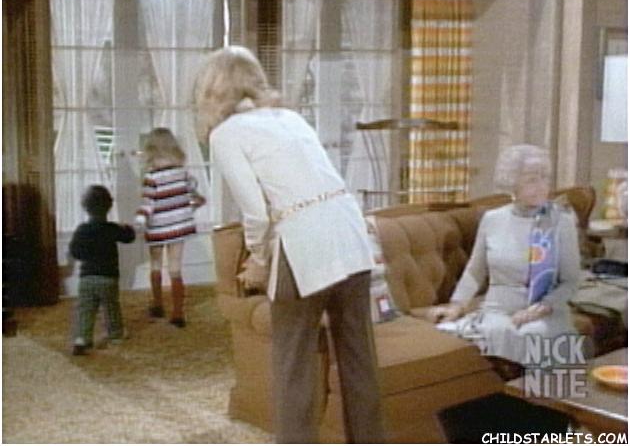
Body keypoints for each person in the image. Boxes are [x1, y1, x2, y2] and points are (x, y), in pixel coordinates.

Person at [195, 46, 384, 443]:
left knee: (293, 368)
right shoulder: (290, 118)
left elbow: (256, 213)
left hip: (303, 246)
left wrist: (258, 259)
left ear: (212, 90)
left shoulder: (226, 134)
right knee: (359, 362)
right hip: (351, 236)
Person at [427, 144, 582, 371]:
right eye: (532, 180)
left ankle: (540, 393)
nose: (541, 186)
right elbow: (475, 271)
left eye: (545, 178)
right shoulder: (493, 219)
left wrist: (542, 308)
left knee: (535, 335)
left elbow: (571, 281)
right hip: (497, 310)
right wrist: (457, 305)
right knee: (495, 331)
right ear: (512, 182)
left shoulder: (561, 222)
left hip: (544, 311)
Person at [135, 127, 203, 328]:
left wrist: (138, 222)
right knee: (175, 268)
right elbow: (193, 193)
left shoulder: (151, 177)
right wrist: (195, 203)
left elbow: (148, 205)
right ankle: (178, 313)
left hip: (157, 228)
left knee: (156, 264)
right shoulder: (183, 173)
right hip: (179, 226)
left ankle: (158, 305)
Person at [69, 185, 135, 355]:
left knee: (85, 309)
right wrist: (127, 227)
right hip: (108, 278)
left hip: (87, 278)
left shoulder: (82, 229)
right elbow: (129, 238)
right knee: (111, 306)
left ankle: (82, 338)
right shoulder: (112, 228)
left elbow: (75, 252)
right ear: (109, 206)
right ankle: (116, 334)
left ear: (85, 207)